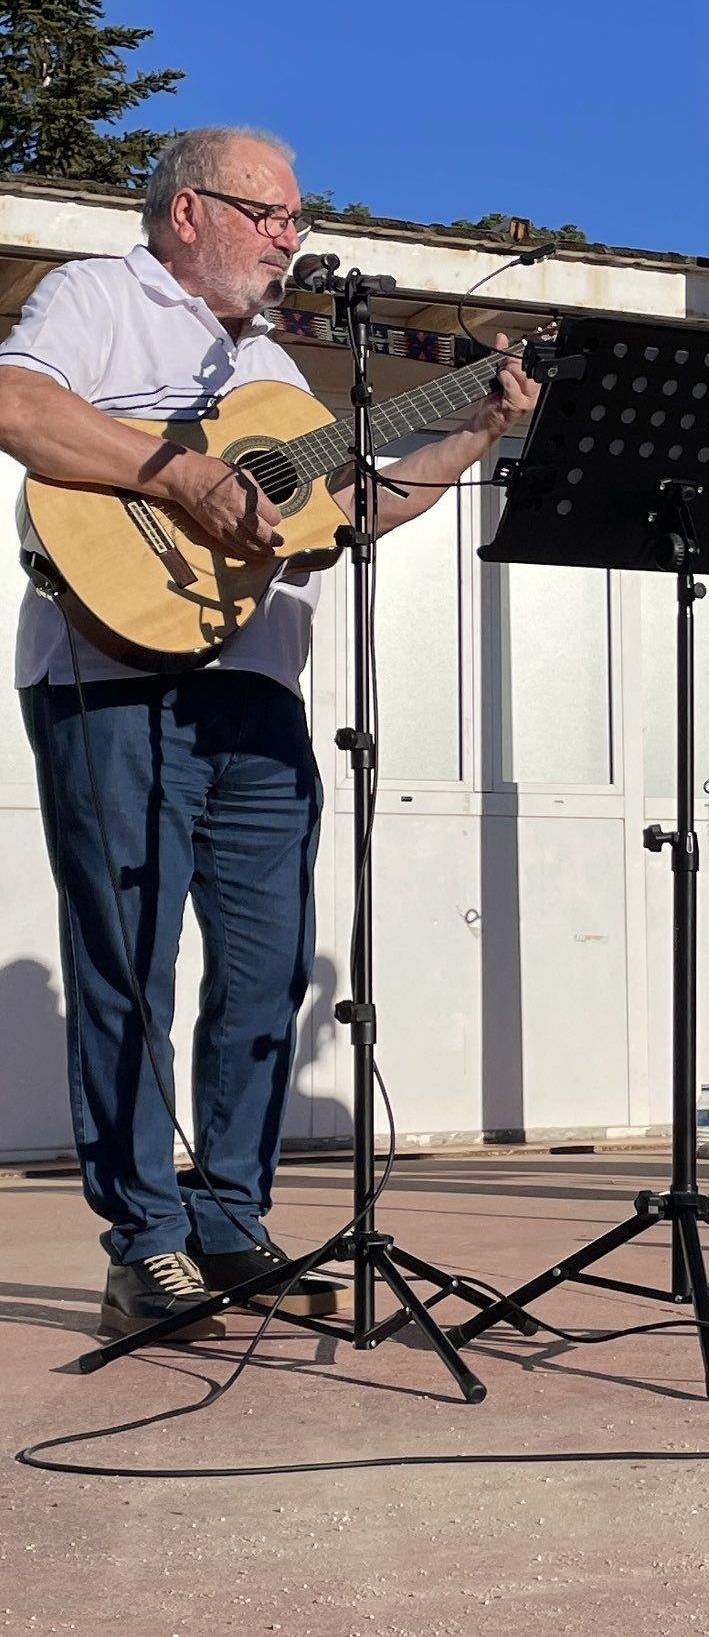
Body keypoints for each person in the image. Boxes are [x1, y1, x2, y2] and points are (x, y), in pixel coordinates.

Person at [0, 127, 539, 1335]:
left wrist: (473, 433)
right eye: (272, 215)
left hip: (257, 697)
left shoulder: (278, 375)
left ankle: (231, 1222)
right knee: (129, 967)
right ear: (189, 210)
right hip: (110, 676)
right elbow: (15, 403)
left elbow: (345, 514)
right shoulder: (98, 294)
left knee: (266, 969)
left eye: (296, 221)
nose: (291, 239)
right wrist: (174, 477)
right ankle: (145, 1244)